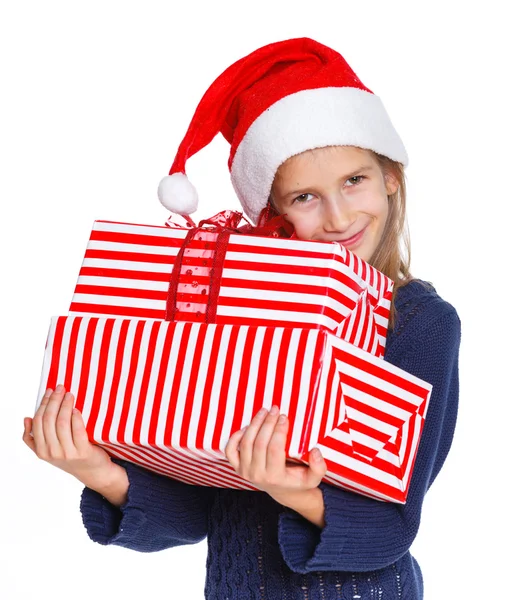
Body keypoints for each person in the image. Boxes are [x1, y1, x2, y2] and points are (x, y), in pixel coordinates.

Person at [23, 37, 461, 599]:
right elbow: (194, 513)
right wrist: (94, 468)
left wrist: (289, 489)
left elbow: (391, 528)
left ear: (390, 177)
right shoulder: (245, 319)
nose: (339, 216)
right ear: (272, 214)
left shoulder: (419, 323)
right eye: (305, 196)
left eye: (355, 180)